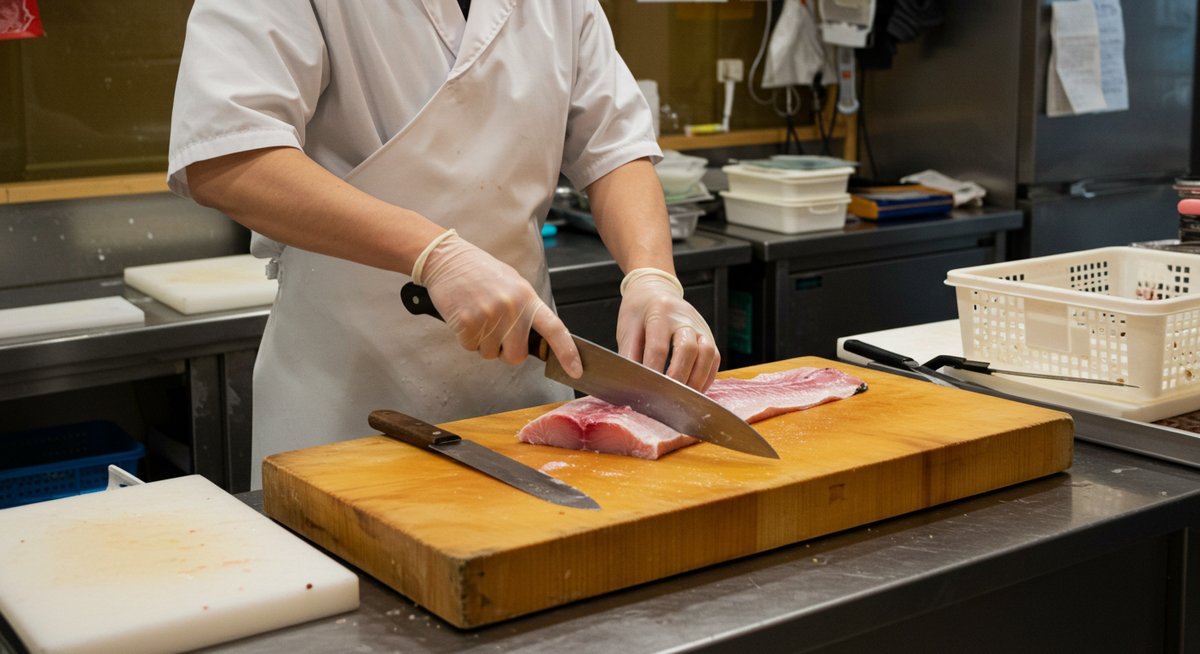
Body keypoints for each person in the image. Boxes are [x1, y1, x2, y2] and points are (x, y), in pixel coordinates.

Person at [168, 0, 719, 488]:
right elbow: (225, 158)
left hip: (518, 398)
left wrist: (652, 279)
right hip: (345, 401)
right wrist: (436, 254)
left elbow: (615, 148)